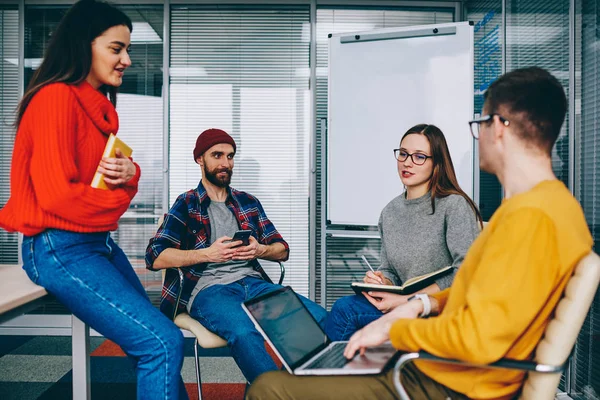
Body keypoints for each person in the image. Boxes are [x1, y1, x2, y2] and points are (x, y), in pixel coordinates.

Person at [246, 67, 593, 400]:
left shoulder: (530, 219)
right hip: (443, 366)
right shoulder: (546, 209)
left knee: (267, 388)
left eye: (479, 124)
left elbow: (479, 339)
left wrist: (394, 330)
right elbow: (477, 297)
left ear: (497, 127)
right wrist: (422, 304)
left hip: (447, 381)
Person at [0, 1, 187, 399]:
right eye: (116, 48)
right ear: (84, 45)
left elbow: (109, 187)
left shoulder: (96, 110)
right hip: (57, 246)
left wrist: (131, 176)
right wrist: (118, 201)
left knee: (156, 342)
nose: (127, 59)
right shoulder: (54, 98)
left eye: (127, 49)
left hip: (95, 241)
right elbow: (58, 198)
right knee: (162, 342)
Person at [145, 128, 327, 384]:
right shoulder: (186, 204)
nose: (225, 163)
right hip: (209, 290)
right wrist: (207, 254)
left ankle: (306, 388)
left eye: (230, 157)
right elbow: (155, 256)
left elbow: (282, 249)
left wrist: (260, 250)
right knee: (244, 332)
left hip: (253, 284)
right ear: (200, 159)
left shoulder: (246, 202)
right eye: (217, 155)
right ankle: (275, 392)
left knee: (320, 319)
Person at [325, 124, 482, 341]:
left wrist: (409, 301)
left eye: (419, 156)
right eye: (403, 154)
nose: (407, 162)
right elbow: (391, 269)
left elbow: (466, 273)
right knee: (333, 313)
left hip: (438, 310)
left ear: (436, 162)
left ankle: (321, 373)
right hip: (403, 305)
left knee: (345, 311)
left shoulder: (454, 206)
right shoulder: (390, 212)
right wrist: (382, 281)